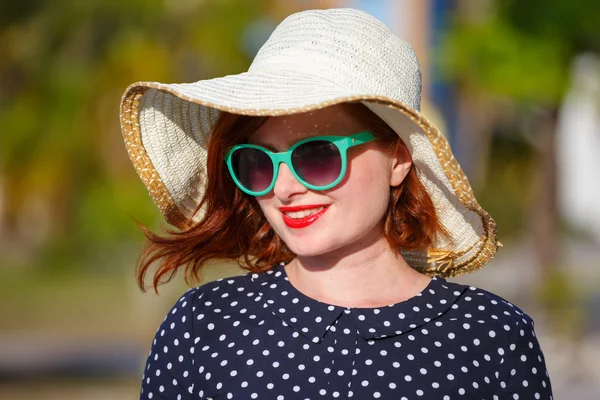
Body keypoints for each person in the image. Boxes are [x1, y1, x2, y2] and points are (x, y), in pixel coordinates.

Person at [120, 8, 553, 399]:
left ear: (399, 159)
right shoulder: (203, 327)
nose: (284, 187)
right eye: (258, 161)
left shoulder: (492, 337)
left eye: (317, 154)